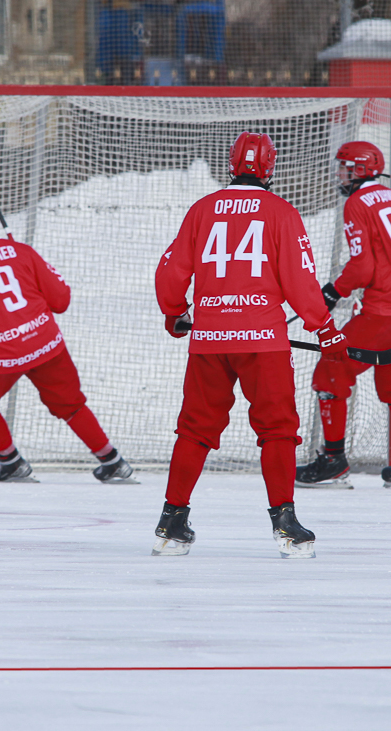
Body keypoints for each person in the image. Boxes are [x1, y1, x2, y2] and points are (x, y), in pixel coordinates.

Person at [153, 132, 348, 558]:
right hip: (263, 342)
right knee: (277, 429)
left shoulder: (202, 210)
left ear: (231, 163)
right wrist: (326, 329)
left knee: (195, 429)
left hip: (209, 341)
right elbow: (299, 279)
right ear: (270, 168)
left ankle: (171, 521)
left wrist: (174, 311)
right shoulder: (281, 213)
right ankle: (285, 523)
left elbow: (171, 270)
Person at [0, 191, 135, 484]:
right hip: (47, 343)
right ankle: (112, 461)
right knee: (70, 404)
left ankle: (10, 461)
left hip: (4, 354)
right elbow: (61, 300)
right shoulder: (23, 252)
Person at [300, 141, 391, 488]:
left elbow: (362, 267)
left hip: (384, 313)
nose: (340, 174)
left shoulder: (356, 203)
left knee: (330, 371)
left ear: (359, 170)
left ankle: (333, 459)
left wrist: (333, 292)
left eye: (344, 168)